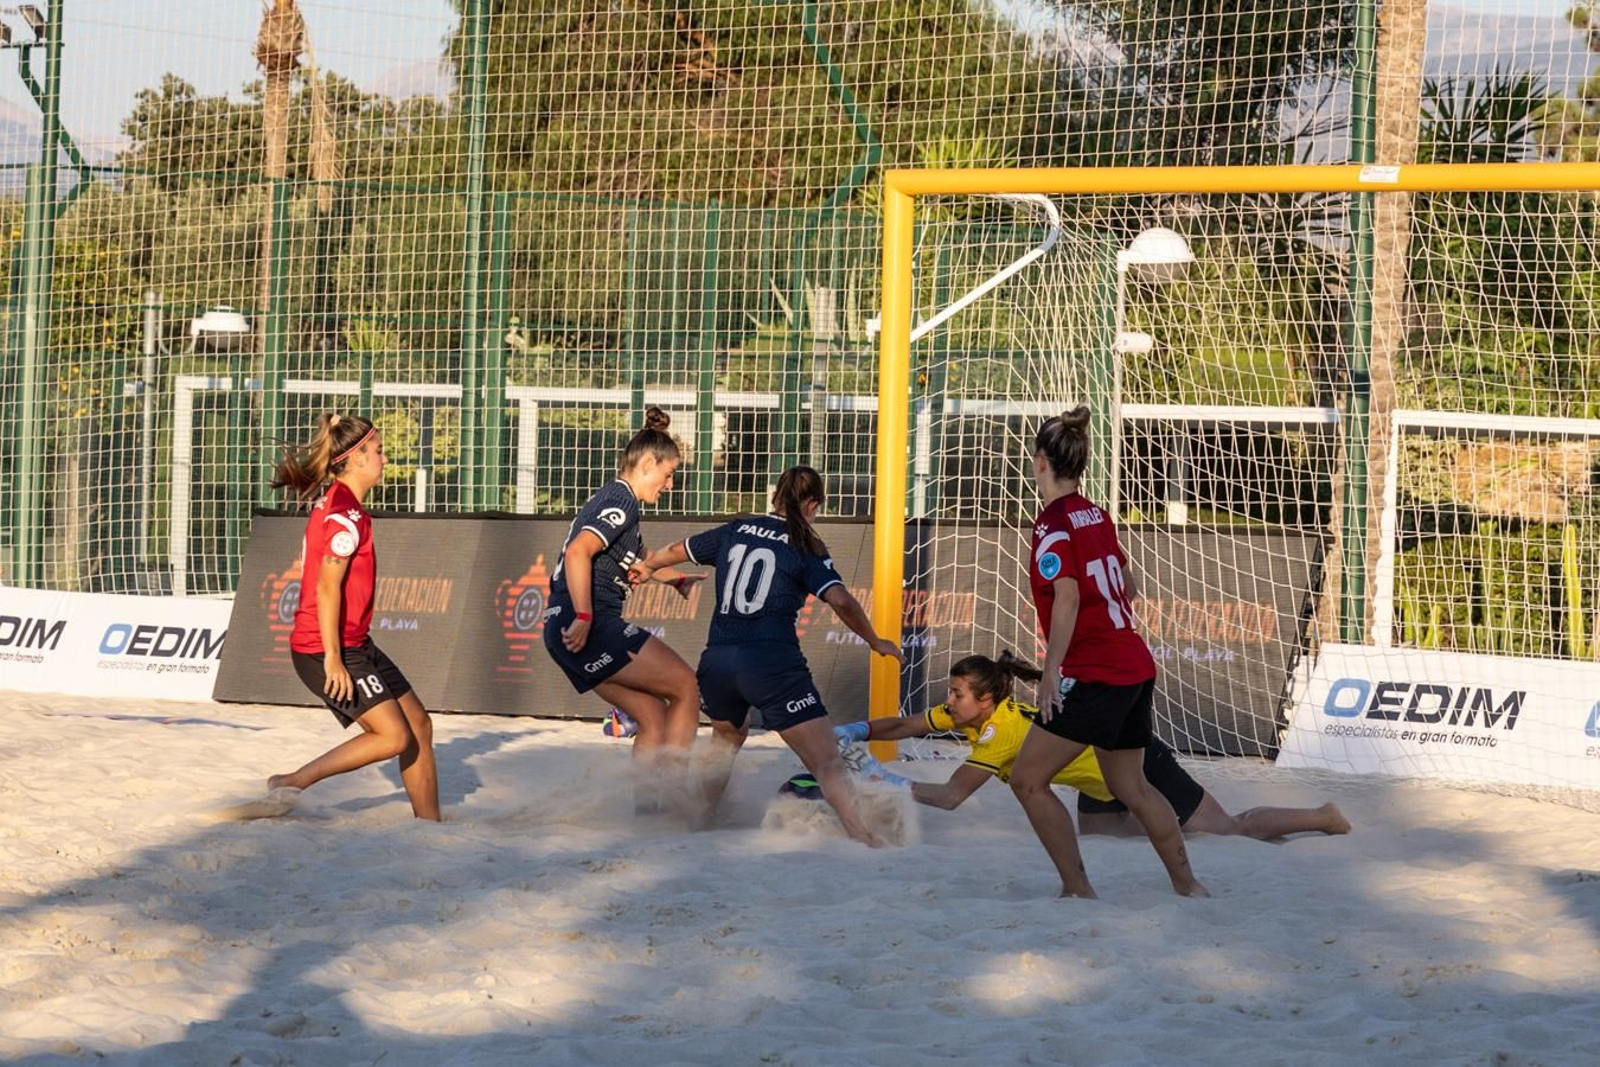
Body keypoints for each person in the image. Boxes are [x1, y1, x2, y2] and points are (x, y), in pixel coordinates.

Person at [630, 465, 902, 845]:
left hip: (718, 661)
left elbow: (679, 550)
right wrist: (875, 640)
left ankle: (695, 825)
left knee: (725, 741)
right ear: (812, 505)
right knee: (825, 762)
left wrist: (647, 566)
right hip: (771, 662)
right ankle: (865, 839)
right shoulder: (805, 544)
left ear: (775, 497)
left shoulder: (736, 529)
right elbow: (841, 601)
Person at [1011, 405, 1207, 898]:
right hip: (1134, 664)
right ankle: (1189, 887)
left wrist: (1052, 670)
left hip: (1096, 672)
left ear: (1040, 462)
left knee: (1028, 781)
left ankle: (1077, 889)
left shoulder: (1051, 524)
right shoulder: (1097, 515)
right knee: (1133, 788)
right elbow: (1130, 585)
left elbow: (1069, 596)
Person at [837, 652, 1350, 840]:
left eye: (956, 694)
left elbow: (950, 798)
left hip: (1133, 760)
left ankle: (1323, 816)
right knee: (1105, 839)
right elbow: (906, 726)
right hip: (1093, 779)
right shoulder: (968, 713)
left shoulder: (1002, 732)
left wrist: (886, 780)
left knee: (1227, 829)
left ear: (987, 700)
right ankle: (1166, 829)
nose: (948, 702)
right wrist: (857, 731)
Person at [267, 413, 440, 821]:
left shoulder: (340, 505)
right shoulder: (344, 516)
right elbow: (327, 589)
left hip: (356, 643)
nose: (384, 459)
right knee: (393, 735)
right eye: (378, 452)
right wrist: (333, 659)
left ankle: (430, 829)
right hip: (325, 648)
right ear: (358, 458)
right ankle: (290, 782)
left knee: (420, 725)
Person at [543, 406, 703, 815]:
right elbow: (580, 552)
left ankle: (647, 813)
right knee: (686, 685)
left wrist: (675, 580)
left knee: (652, 716)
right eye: (668, 475)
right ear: (647, 464)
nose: (669, 485)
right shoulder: (622, 500)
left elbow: (635, 561)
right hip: (584, 623)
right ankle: (675, 795)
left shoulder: (616, 504)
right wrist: (583, 616)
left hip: (559, 628)